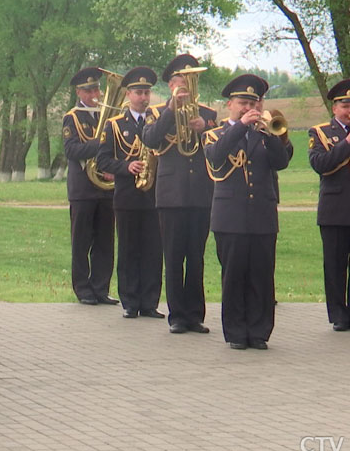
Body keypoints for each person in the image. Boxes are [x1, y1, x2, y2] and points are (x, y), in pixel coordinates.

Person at [203, 74, 289, 350]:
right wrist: (240, 126)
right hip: (231, 217)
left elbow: (281, 162)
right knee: (234, 275)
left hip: (263, 216)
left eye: (252, 103)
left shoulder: (266, 134)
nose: (247, 108)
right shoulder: (215, 134)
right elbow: (216, 156)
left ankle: (260, 331)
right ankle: (237, 332)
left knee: (262, 276)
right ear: (230, 104)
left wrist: (270, 134)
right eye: (242, 102)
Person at [141, 54, 217, 334]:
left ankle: (195, 315)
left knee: (196, 257)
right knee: (173, 257)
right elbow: (149, 139)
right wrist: (172, 110)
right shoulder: (157, 112)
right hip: (171, 195)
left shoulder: (207, 114)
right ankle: (177, 316)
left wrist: (204, 128)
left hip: (200, 194)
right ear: (171, 85)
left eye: (189, 84)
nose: (185, 89)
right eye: (180, 84)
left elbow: (218, 146)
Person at [96, 67, 164, 319]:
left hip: (154, 197)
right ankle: (130, 302)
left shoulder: (157, 121)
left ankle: (149, 302)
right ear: (128, 94)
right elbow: (102, 160)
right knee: (128, 249)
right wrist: (126, 166)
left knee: (153, 250)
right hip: (126, 196)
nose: (143, 97)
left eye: (147, 92)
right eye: (138, 92)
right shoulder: (114, 125)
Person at [62, 68, 117, 306]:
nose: (94, 93)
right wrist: (99, 146)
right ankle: (83, 288)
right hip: (83, 189)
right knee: (82, 240)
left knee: (105, 241)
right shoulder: (72, 117)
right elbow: (71, 150)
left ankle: (101, 288)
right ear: (79, 92)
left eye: (96, 89)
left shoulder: (110, 117)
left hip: (106, 188)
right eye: (88, 90)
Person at [308, 79, 350, 331]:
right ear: (334, 108)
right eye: (345, 106)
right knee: (335, 265)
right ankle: (338, 314)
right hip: (335, 210)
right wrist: (346, 144)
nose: (349, 111)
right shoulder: (321, 132)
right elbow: (321, 165)